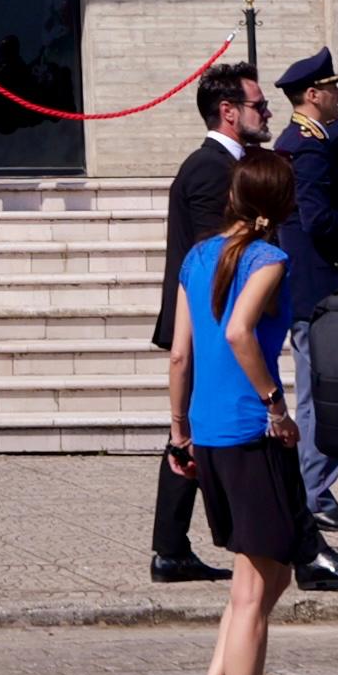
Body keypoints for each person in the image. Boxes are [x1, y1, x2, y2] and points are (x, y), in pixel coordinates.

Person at [164, 146, 312, 675]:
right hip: (252, 435)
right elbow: (238, 333)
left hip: (209, 432)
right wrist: (276, 404)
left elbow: (178, 355)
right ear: (281, 204)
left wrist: (178, 434)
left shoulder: (198, 256)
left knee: (269, 574)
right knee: (254, 589)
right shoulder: (269, 258)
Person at [264, 51, 338, 588]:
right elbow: (314, 222)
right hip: (315, 290)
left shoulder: (305, 143)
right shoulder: (306, 151)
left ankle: (316, 492)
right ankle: (312, 494)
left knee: (319, 393)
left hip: (313, 289)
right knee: (318, 397)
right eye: (333, 89)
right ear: (313, 95)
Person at [146, 61, 265, 585]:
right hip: (209, 326)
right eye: (259, 106)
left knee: (193, 433)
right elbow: (212, 259)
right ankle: (189, 545)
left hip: (210, 325)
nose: (267, 113)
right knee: (195, 434)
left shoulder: (225, 164)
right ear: (229, 112)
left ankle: (171, 548)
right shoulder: (211, 169)